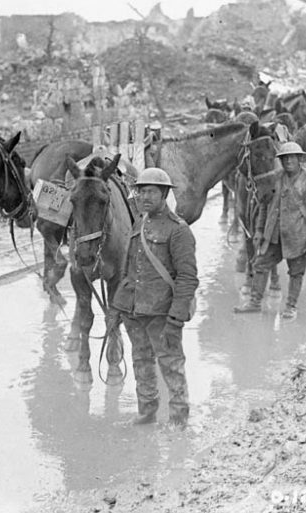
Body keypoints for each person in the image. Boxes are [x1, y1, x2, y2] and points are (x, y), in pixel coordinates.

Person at [109, 167, 198, 427]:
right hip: (135, 310)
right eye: (141, 191)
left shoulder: (179, 231)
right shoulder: (140, 222)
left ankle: (179, 418)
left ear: (165, 194)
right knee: (141, 362)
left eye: (151, 192)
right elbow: (127, 270)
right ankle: (147, 411)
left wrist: (176, 318)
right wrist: (118, 307)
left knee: (171, 364)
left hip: (162, 313)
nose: (144, 197)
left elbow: (187, 278)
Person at [233, 142, 306, 319]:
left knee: (296, 272)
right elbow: (263, 206)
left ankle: (291, 306)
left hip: (298, 235)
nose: (289, 161)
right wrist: (259, 230)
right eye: (285, 158)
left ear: (299, 159)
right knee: (260, 264)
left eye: (292, 157)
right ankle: (254, 303)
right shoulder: (274, 178)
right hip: (273, 235)